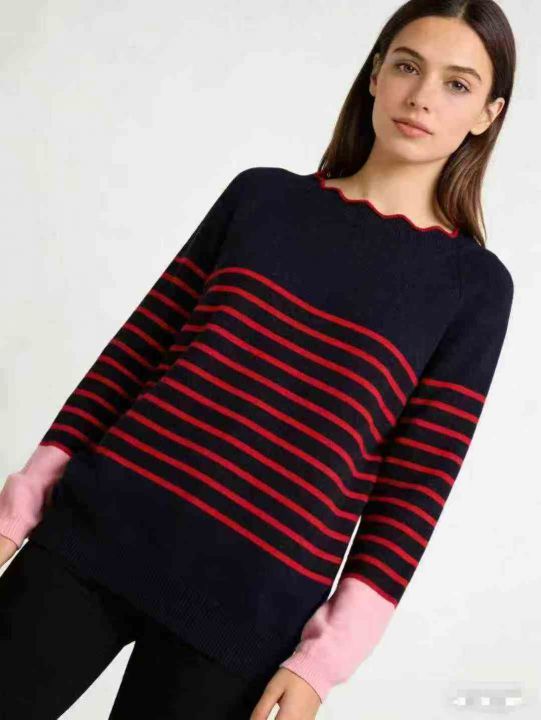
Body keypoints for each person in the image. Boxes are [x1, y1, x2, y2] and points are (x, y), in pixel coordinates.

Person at [0, 1, 517, 718]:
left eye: (457, 84)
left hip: (247, 612)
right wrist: (18, 508)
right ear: (375, 76)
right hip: (96, 534)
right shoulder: (261, 199)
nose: (422, 96)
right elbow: (131, 359)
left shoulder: (472, 288)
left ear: (488, 114)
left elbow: (413, 494)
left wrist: (322, 664)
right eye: (407, 66)